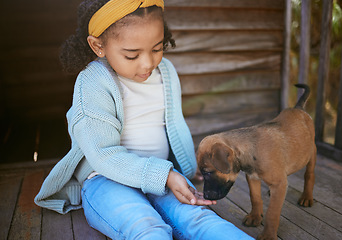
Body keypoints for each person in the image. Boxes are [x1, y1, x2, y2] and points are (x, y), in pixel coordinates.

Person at [35, 0, 254, 239]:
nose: (148, 63)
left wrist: (187, 168)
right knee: (146, 227)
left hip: (161, 178)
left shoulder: (166, 72)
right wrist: (166, 175)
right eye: (132, 55)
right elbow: (103, 155)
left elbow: (172, 127)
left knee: (201, 220)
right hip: (106, 181)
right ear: (98, 46)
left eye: (157, 48)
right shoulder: (92, 82)